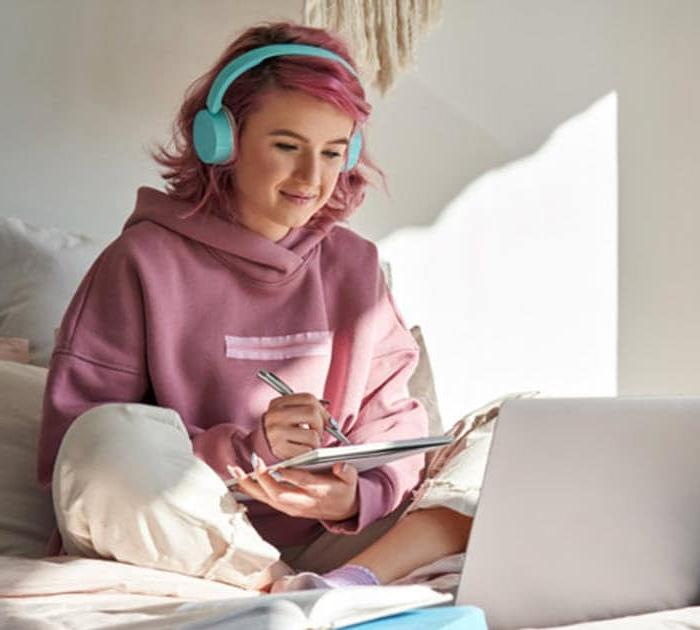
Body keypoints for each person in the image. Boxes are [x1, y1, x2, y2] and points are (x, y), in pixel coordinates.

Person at [37, 20, 476, 592]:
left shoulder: (356, 266)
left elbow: (394, 421)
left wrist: (354, 496)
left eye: (332, 152)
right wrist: (250, 451)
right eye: (287, 146)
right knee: (104, 438)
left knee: (500, 433)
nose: (311, 177)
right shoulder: (141, 260)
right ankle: (277, 588)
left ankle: (345, 587)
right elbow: (76, 455)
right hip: (184, 540)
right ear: (221, 140)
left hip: (331, 545)